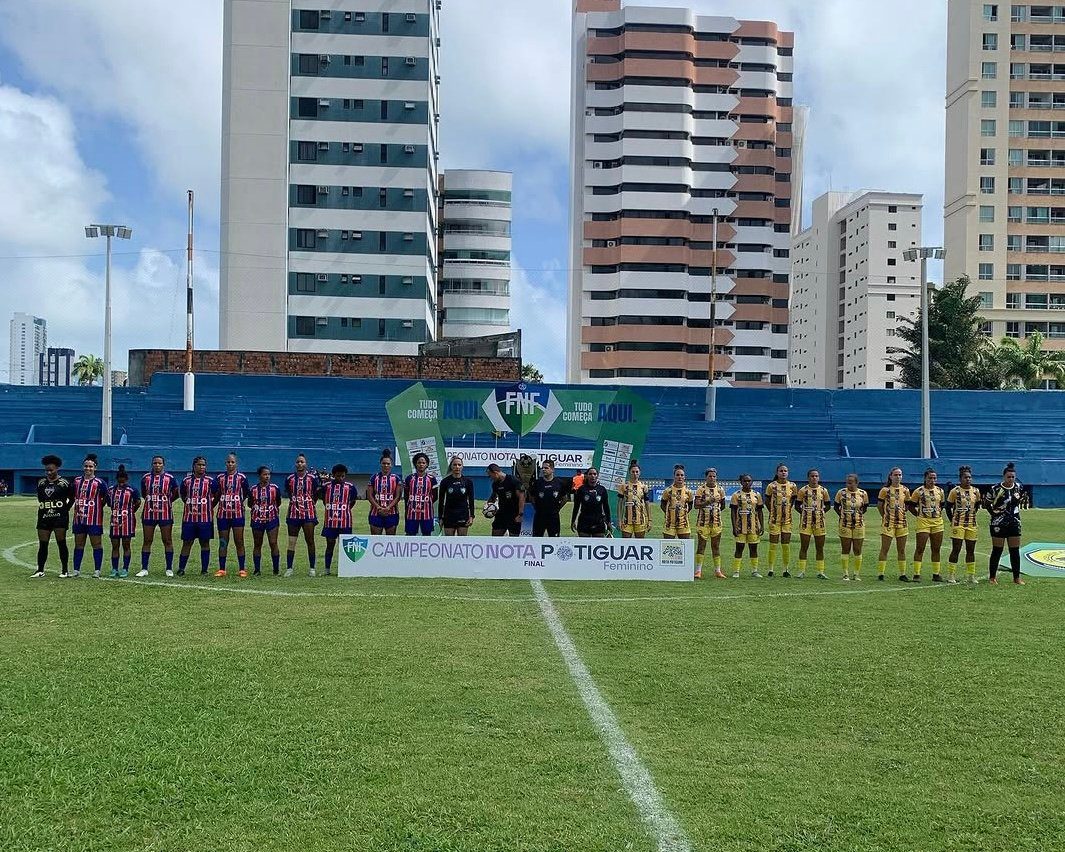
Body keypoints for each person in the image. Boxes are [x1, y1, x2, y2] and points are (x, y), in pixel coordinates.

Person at [32, 454, 75, 578]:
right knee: (43, 544)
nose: (49, 472)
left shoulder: (65, 483)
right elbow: (40, 498)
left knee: (61, 543)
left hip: (59, 517)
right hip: (44, 516)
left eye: (51, 470)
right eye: (47, 470)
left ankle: (64, 570)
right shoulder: (41, 483)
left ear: (57, 469)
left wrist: (65, 509)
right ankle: (40, 570)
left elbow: (72, 498)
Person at [986, 462, 1026, 585]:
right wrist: (994, 514)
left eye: (1013, 477)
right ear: (1004, 476)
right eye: (1009, 477)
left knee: (1014, 551)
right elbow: (987, 503)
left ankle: (1016, 578)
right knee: (997, 550)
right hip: (998, 523)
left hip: (1014, 522)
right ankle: (992, 577)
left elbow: (1020, 500)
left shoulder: (1019, 487)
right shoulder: (995, 489)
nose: (1011, 479)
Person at [139, 455, 179, 577]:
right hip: (149, 513)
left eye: (159, 463)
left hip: (165, 513)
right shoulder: (145, 478)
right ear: (152, 464)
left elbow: (176, 493)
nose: (157, 465)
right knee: (147, 540)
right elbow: (144, 493)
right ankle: (144, 568)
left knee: (167, 540)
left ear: (163, 465)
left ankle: (169, 568)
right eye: (155, 463)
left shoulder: (170, 478)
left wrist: (166, 502)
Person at [71, 453, 110, 578]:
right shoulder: (77, 481)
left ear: (95, 468)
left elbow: (106, 498)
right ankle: (76, 570)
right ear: (83, 467)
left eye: (91, 466)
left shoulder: (100, 482)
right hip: (79, 519)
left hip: (94, 520)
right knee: (78, 544)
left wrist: (98, 506)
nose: (88, 469)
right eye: (86, 466)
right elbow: (72, 496)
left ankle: (97, 570)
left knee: (96, 544)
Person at [178, 456, 216, 576]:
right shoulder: (186, 481)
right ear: (194, 466)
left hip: (205, 519)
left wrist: (209, 505)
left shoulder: (210, 481)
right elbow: (183, 495)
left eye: (203, 465)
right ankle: (181, 568)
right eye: (199, 465)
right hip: (189, 519)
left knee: (205, 543)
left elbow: (217, 494)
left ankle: (204, 570)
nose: (202, 467)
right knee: (187, 542)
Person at [214, 452, 250, 578]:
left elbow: (246, 492)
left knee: (239, 541)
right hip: (223, 515)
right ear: (225, 463)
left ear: (236, 463)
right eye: (228, 462)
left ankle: (242, 569)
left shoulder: (242, 478)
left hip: (237, 515)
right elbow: (216, 493)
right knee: (223, 542)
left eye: (232, 462)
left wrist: (238, 502)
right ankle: (222, 569)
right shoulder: (219, 478)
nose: (230, 464)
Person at [946, 465, 982, 585]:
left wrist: (972, 515)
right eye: (966, 477)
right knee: (956, 549)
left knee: (971, 550)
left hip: (971, 524)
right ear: (960, 478)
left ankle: (971, 576)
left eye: (970, 477)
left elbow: (977, 505)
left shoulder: (976, 491)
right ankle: (951, 575)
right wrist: (953, 519)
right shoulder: (955, 491)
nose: (968, 479)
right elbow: (948, 507)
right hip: (958, 524)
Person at [908, 468, 946, 583]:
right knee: (920, 548)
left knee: (936, 549)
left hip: (937, 523)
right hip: (923, 522)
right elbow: (911, 506)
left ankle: (936, 574)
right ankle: (916, 574)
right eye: (930, 478)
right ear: (925, 478)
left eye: (934, 478)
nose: (932, 480)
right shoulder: (918, 491)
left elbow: (942, 505)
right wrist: (919, 515)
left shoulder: (940, 491)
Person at [285, 453, 320, 577]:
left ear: (306, 464)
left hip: (308, 514)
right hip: (293, 514)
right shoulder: (290, 479)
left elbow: (315, 494)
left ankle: (312, 568)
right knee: (292, 541)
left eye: (302, 462)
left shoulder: (312, 479)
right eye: (298, 462)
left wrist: (308, 504)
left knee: (310, 540)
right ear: (295, 464)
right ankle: (289, 568)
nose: (300, 464)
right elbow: (289, 493)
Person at [795, 469, 832, 579]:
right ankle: (802, 571)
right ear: (808, 478)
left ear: (819, 477)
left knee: (819, 548)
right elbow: (797, 505)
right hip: (806, 523)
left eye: (816, 476)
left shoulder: (823, 490)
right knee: (804, 547)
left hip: (820, 523)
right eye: (812, 476)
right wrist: (805, 513)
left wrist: (820, 513)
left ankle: (820, 572)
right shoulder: (803, 490)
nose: (814, 478)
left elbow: (828, 505)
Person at [322, 463, 358, 574]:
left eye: (343, 476)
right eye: (338, 476)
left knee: (346, 546)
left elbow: (353, 501)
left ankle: (346, 569)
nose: (340, 478)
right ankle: (327, 569)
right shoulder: (327, 486)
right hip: (330, 521)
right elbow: (324, 500)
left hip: (345, 522)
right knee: (330, 544)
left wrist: (344, 510)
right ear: (333, 475)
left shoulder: (350, 487)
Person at [877, 467, 911, 581]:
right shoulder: (885, 490)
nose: (898, 477)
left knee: (901, 550)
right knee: (885, 549)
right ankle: (881, 573)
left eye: (900, 475)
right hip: (888, 523)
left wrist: (901, 514)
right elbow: (880, 506)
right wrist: (885, 516)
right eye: (896, 475)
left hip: (902, 523)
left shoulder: (905, 490)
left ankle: (902, 574)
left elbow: (906, 506)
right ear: (890, 476)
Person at [764, 463, 797, 578]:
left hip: (787, 520)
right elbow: (767, 500)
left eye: (785, 471)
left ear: (788, 473)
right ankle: (771, 569)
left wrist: (787, 510)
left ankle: (785, 570)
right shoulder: (771, 486)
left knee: (785, 545)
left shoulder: (792, 486)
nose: (783, 472)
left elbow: (793, 500)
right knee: (773, 545)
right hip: (774, 520)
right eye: (781, 471)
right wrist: (773, 511)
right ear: (777, 473)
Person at [107, 465, 140, 578]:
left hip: (127, 521)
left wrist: (129, 512)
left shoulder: (132, 490)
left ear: (126, 479)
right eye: (119, 479)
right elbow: (108, 503)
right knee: (115, 546)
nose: (121, 481)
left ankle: (125, 568)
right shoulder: (111, 490)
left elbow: (138, 502)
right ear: (117, 479)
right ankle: (114, 568)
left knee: (126, 545)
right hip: (115, 521)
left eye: (123, 479)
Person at [834, 474, 869, 581]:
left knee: (857, 549)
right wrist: (843, 515)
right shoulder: (841, 493)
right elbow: (836, 506)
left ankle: (856, 573)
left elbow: (865, 507)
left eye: (851, 482)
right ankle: (845, 573)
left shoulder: (863, 493)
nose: (848, 484)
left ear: (856, 483)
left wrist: (857, 515)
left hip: (859, 524)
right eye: (847, 482)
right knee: (846, 549)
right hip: (845, 525)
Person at [248, 466, 282, 575]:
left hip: (272, 519)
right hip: (257, 520)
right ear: (259, 476)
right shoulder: (253, 489)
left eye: (268, 474)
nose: (267, 476)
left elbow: (278, 502)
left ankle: (276, 569)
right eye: (264, 474)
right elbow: (250, 504)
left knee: (273, 543)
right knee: (257, 544)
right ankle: (257, 569)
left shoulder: (274, 488)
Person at [694, 467, 727, 579]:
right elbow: (696, 505)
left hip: (717, 523)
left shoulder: (721, 490)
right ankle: (698, 571)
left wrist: (714, 511)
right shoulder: (701, 490)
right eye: (710, 476)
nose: (712, 478)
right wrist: (708, 502)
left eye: (714, 476)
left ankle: (718, 571)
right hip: (703, 523)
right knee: (701, 546)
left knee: (716, 547)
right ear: (706, 477)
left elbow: (722, 506)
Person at [730, 474, 764, 578]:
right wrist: (734, 526)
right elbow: (733, 512)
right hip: (741, 527)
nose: (747, 483)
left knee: (753, 549)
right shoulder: (736, 495)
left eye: (749, 481)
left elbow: (760, 511)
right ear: (741, 482)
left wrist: (762, 526)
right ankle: (736, 571)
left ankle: (755, 571)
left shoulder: (757, 495)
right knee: (739, 548)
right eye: (745, 481)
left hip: (753, 527)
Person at [367, 450, 402, 535]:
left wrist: (388, 508)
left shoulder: (396, 478)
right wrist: (378, 507)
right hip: (376, 513)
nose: (386, 465)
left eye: (388, 464)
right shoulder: (374, 477)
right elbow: (369, 495)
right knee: (376, 541)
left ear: (391, 465)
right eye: (384, 463)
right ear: (380, 464)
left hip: (392, 513)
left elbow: (398, 496)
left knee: (389, 541)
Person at [438, 456, 475, 536]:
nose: (457, 467)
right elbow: (441, 501)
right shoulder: (445, 481)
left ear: (462, 466)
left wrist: (472, 516)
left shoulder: (468, 482)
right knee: (449, 543)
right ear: (451, 466)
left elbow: (471, 500)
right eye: (454, 465)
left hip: (463, 515)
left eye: (459, 465)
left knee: (461, 542)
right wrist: (440, 517)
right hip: (449, 515)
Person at [403, 453, 438, 536]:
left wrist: (425, 504)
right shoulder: (409, 478)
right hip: (411, 513)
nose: (421, 465)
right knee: (410, 535)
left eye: (423, 463)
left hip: (427, 513)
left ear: (427, 464)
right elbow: (406, 496)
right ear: (415, 464)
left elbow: (435, 496)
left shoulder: (432, 479)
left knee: (427, 535)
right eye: (419, 462)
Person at [571, 467, 612, 537]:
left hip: (598, 522)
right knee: (584, 545)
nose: (592, 476)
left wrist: (608, 522)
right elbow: (576, 506)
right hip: (584, 522)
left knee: (598, 545)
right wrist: (573, 520)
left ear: (597, 475)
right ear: (586, 476)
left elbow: (606, 507)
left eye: (594, 474)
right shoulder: (581, 489)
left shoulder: (602, 489)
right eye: (590, 474)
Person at [530, 459, 566, 538]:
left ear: (552, 470)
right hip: (539, 516)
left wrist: (558, 508)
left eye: (546, 468)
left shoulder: (559, 483)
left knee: (554, 539)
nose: (543, 470)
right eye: (543, 468)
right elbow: (532, 497)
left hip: (553, 516)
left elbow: (565, 498)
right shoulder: (537, 483)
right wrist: (536, 507)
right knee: (536, 539)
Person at [486, 463, 525, 537]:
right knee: (495, 537)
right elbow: (493, 496)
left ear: (495, 473)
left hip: (514, 515)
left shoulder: (513, 481)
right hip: (501, 514)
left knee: (513, 540)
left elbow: (522, 497)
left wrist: (520, 514)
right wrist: (488, 507)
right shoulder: (495, 484)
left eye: (490, 475)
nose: (490, 478)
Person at [617, 459, 652, 540]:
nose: (635, 474)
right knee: (625, 544)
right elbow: (620, 504)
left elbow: (647, 504)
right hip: (626, 520)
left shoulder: (644, 487)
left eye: (637, 472)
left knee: (639, 545)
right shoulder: (623, 486)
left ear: (639, 473)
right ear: (629, 473)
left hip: (640, 520)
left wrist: (649, 520)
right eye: (633, 472)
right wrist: (619, 520)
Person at [660, 464, 694, 541]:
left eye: (682, 475)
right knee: (668, 547)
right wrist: (669, 513)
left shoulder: (688, 492)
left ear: (684, 477)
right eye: (677, 475)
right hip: (670, 524)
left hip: (684, 524)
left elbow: (690, 505)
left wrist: (682, 513)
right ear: (674, 476)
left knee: (684, 549)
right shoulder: (668, 491)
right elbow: (662, 505)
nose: (680, 477)